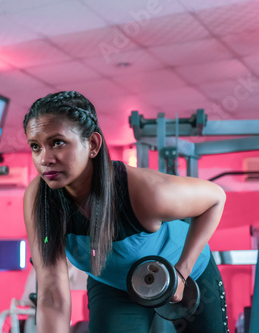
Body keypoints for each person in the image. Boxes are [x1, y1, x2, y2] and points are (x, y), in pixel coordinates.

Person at [22, 91, 229, 333]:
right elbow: (51, 294)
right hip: (115, 285)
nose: (45, 158)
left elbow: (216, 198)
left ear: (92, 144)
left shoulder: (146, 192)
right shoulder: (41, 200)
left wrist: (182, 273)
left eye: (57, 142)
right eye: (36, 147)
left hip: (185, 270)